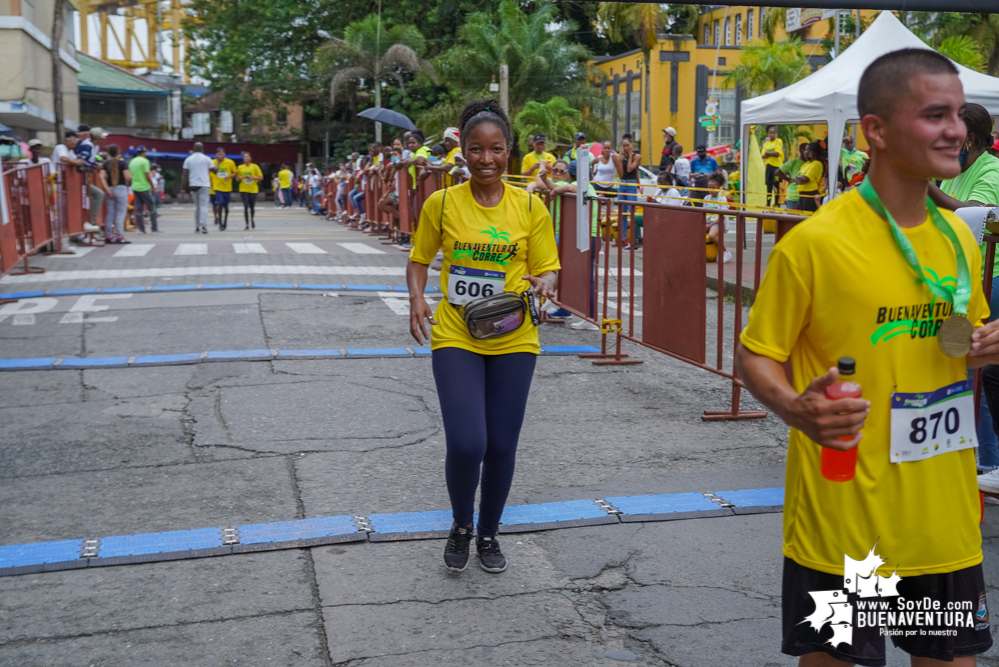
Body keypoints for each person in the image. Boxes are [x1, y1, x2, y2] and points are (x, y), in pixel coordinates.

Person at [736, 48, 997, 666]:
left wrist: (985, 343)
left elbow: (957, 342)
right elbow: (756, 355)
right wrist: (795, 409)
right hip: (846, 521)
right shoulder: (816, 244)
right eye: (935, 115)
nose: (956, 130)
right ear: (875, 131)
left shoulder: (959, 236)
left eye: (958, 114)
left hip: (943, 518)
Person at [407, 98, 560, 575]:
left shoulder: (530, 206)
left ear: (509, 153)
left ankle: (489, 533)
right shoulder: (443, 202)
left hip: (514, 336)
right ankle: (460, 523)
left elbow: (548, 268)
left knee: (501, 446)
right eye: (476, 149)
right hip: (456, 333)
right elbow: (418, 260)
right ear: (463, 153)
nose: (486, 159)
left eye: (496, 150)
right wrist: (417, 298)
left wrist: (545, 283)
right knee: (469, 442)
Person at [929, 103, 999, 488]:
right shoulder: (959, 169)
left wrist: (930, 191)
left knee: (987, 370)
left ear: (969, 138)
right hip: (963, 280)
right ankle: (974, 459)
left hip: (994, 278)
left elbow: (978, 214)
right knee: (967, 367)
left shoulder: (990, 169)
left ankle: (989, 464)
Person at [74, 125, 107, 234]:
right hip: (79, 177)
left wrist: (95, 165)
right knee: (98, 195)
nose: (103, 140)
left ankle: (89, 224)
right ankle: (89, 223)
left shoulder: (93, 146)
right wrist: (94, 166)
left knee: (92, 198)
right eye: (101, 138)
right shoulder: (87, 145)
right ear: (97, 137)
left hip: (84, 177)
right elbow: (81, 161)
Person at [612, 134, 641, 249]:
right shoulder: (621, 156)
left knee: (632, 212)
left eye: (627, 145)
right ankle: (623, 238)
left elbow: (630, 169)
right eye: (623, 146)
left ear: (632, 145)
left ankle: (636, 238)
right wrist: (620, 158)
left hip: (631, 184)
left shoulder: (637, 156)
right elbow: (620, 172)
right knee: (622, 212)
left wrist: (629, 156)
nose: (625, 148)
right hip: (622, 183)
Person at [180, 142, 216, 234]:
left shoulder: (188, 159)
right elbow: (215, 171)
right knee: (204, 206)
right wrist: (219, 161)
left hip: (193, 185)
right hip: (204, 185)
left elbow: (184, 175)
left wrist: (183, 188)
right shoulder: (207, 159)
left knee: (197, 207)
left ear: (193, 149)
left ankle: (197, 227)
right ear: (202, 149)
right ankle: (203, 226)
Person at [100, 144, 130, 244]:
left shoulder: (105, 164)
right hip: (120, 188)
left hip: (110, 189)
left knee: (110, 213)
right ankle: (119, 236)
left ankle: (108, 236)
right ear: (118, 152)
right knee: (120, 214)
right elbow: (127, 176)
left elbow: (101, 177)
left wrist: (107, 189)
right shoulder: (122, 163)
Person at [127, 145, 159, 234]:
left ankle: (141, 229)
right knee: (152, 208)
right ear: (144, 153)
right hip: (144, 187)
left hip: (135, 187)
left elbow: (130, 175)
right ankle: (154, 229)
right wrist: (152, 185)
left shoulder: (132, 162)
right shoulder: (145, 161)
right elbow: (147, 175)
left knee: (139, 208)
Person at [703, 171, 731, 263]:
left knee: (711, 235)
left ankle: (725, 251)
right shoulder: (707, 198)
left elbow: (722, 217)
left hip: (718, 223)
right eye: (709, 188)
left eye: (713, 188)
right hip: (708, 222)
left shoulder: (722, 198)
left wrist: (709, 225)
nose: (711, 190)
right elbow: (704, 213)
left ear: (719, 188)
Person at [794, 142, 825, 213]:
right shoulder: (806, 164)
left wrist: (799, 178)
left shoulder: (817, 164)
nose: (804, 152)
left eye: (806, 150)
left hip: (810, 195)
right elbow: (796, 177)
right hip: (802, 194)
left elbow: (805, 179)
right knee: (795, 214)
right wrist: (799, 178)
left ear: (812, 153)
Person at [776, 142, 807, 211]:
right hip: (793, 196)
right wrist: (789, 179)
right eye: (805, 150)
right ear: (800, 150)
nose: (806, 152)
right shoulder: (794, 162)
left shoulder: (812, 163)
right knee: (791, 219)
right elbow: (778, 172)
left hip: (806, 196)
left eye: (808, 150)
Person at [236, 152, 263, 230]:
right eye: (244, 157)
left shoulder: (255, 167)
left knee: (252, 206)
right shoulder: (240, 167)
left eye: (247, 157)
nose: (246, 158)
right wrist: (239, 178)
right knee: (245, 206)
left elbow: (261, 177)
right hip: (243, 189)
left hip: (253, 189)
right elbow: (237, 178)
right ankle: (247, 224)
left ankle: (252, 219)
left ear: (250, 159)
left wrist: (252, 178)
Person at [212, 148, 236, 230]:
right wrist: (218, 162)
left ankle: (225, 222)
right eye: (219, 154)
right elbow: (213, 171)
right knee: (220, 203)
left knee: (226, 206)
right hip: (217, 187)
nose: (220, 156)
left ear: (224, 154)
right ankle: (220, 222)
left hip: (227, 187)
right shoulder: (213, 162)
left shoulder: (230, 162)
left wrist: (230, 176)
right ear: (216, 155)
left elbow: (235, 172)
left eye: (222, 154)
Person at [762, 125, 785, 207]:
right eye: (770, 133)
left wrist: (768, 153)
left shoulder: (778, 141)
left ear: (776, 134)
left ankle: (777, 204)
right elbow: (763, 156)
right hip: (768, 167)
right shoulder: (766, 143)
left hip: (777, 168)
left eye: (773, 133)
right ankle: (768, 204)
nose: (772, 134)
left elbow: (777, 154)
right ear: (768, 134)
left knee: (776, 186)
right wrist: (771, 153)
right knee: (769, 186)